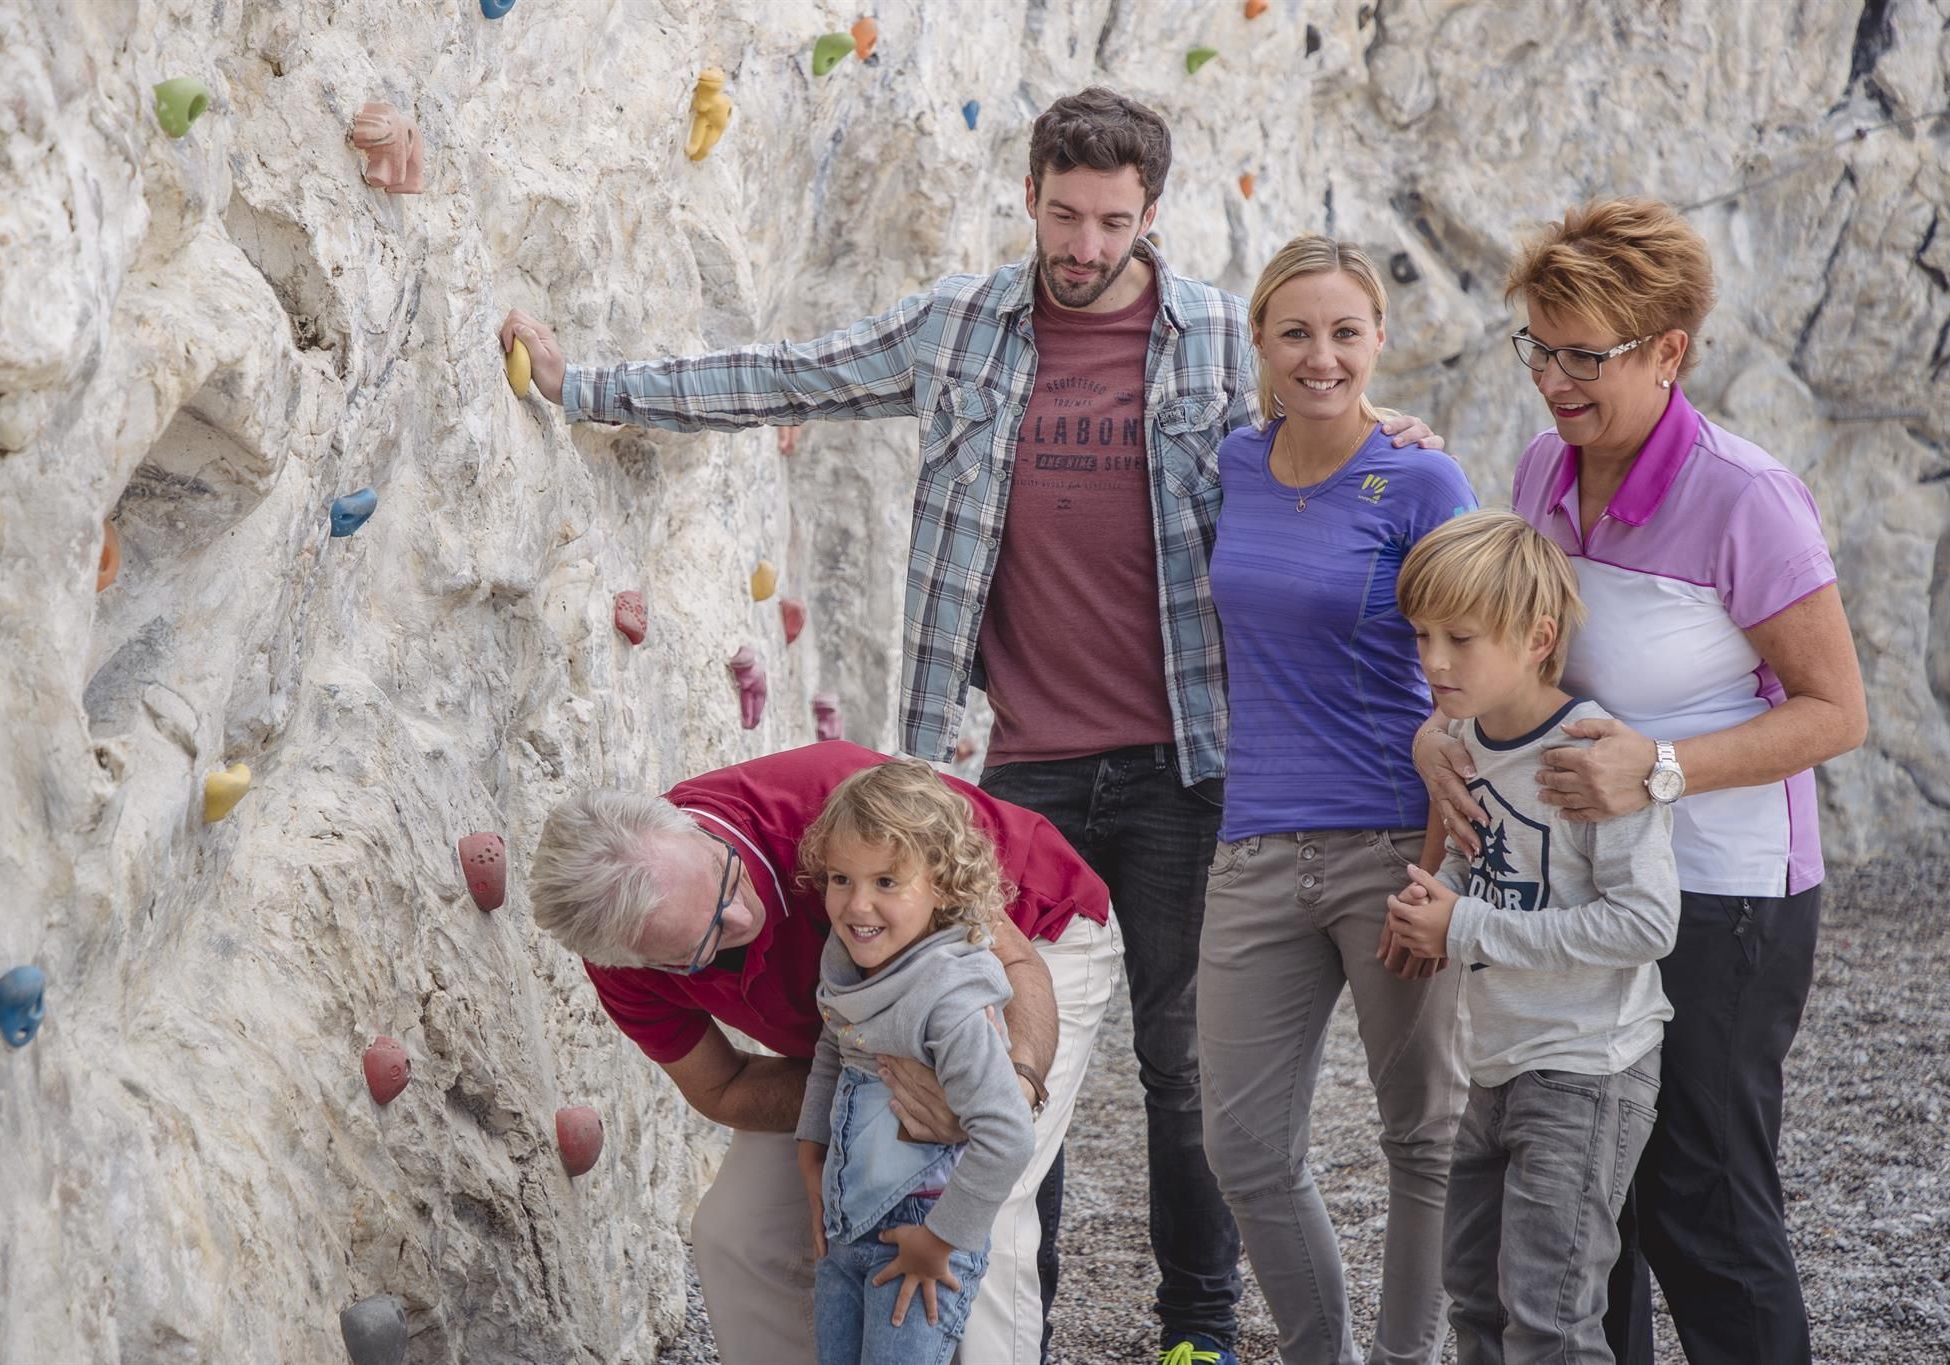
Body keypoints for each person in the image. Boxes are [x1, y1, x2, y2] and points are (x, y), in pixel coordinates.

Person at [501, 87, 1443, 1364]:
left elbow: (1315, 434)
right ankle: (1017, 1325)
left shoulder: (1223, 339)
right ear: (1028, 197)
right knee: (988, 1044)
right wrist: (590, 386)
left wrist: (1382, 433)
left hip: (1187, 757)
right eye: (1063, 215)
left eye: (1111, 221)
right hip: (1016, 765)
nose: (1084, 245)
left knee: (1180, 1062)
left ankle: (1197, 1330)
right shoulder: (958, 327)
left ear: (1150, 214)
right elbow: (789, 374)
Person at [1412, 198, 1869, 1365]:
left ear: (1668, 351)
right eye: (1537, 348)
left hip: (1721, 896)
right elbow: (1516, 652)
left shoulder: (1746, 497)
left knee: (1698, 1210)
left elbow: (1836, 712)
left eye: (1584, 356)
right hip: (1573, 887)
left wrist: (1657, 770)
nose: (1551, 381)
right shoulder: (1539, 467)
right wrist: (1438, 734)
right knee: (1576, 1219)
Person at [526, 740, 1119, 1365]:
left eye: (725, 878)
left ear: (690, 828)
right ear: (639, 960)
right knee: (737, 1232)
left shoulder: (835, 813)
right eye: (706, 942)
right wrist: (832, 1133)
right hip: (861, 1043)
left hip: (1034, 934)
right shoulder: (622, 962)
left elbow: (1016, 961)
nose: (741, 917)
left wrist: (1004, 1093)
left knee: (975, 1218)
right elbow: (723, 1087)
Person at [1191, 233, 1473, 1365]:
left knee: (1425, 1137)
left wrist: (1436, 872)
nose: (1322, 356)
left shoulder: (1423, 479)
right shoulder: (1233, 463)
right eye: (1296, 333)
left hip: (1392, 842)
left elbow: (1471, 678)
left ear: (1379, 339)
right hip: (1255, 846)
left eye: (1345, 332)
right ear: (1258, 342)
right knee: (1245, 1148)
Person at [1382, 509, 1678, 1364]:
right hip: (1494, 1064)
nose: (1434, 662)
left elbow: (1647, 922)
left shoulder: (1593, 752)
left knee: (1550, 1316)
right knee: (1476, 1298)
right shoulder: (1464, 741)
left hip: (1588, 1067)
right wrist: (1440, 897)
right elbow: (1486, 862)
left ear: (1538, 637)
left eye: (1460, 639)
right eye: (1423, 636)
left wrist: (1465, 924)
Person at [796, 759, 1036, 1365]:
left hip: (923, 1234)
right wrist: (811, 1151)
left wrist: (941, 1240)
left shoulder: (950, 998)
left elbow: (1007, 1135)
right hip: (846, 1230)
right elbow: (832, 1047)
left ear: (944, 886)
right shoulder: (852, 967)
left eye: (886, 882)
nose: (858, 905)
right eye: (841, 878)